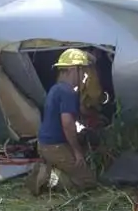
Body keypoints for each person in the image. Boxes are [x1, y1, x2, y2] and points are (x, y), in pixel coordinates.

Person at [25, 48, 97, 195]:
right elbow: (67, 123)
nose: (84, 76)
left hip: (45, 144)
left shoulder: (57, 89)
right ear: (73, 69)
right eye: (83, 71)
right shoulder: (67, 92)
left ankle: (50, 167)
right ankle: (46, 176)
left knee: (79, 169)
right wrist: (77, 151)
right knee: (88, 182)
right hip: (55, 146)